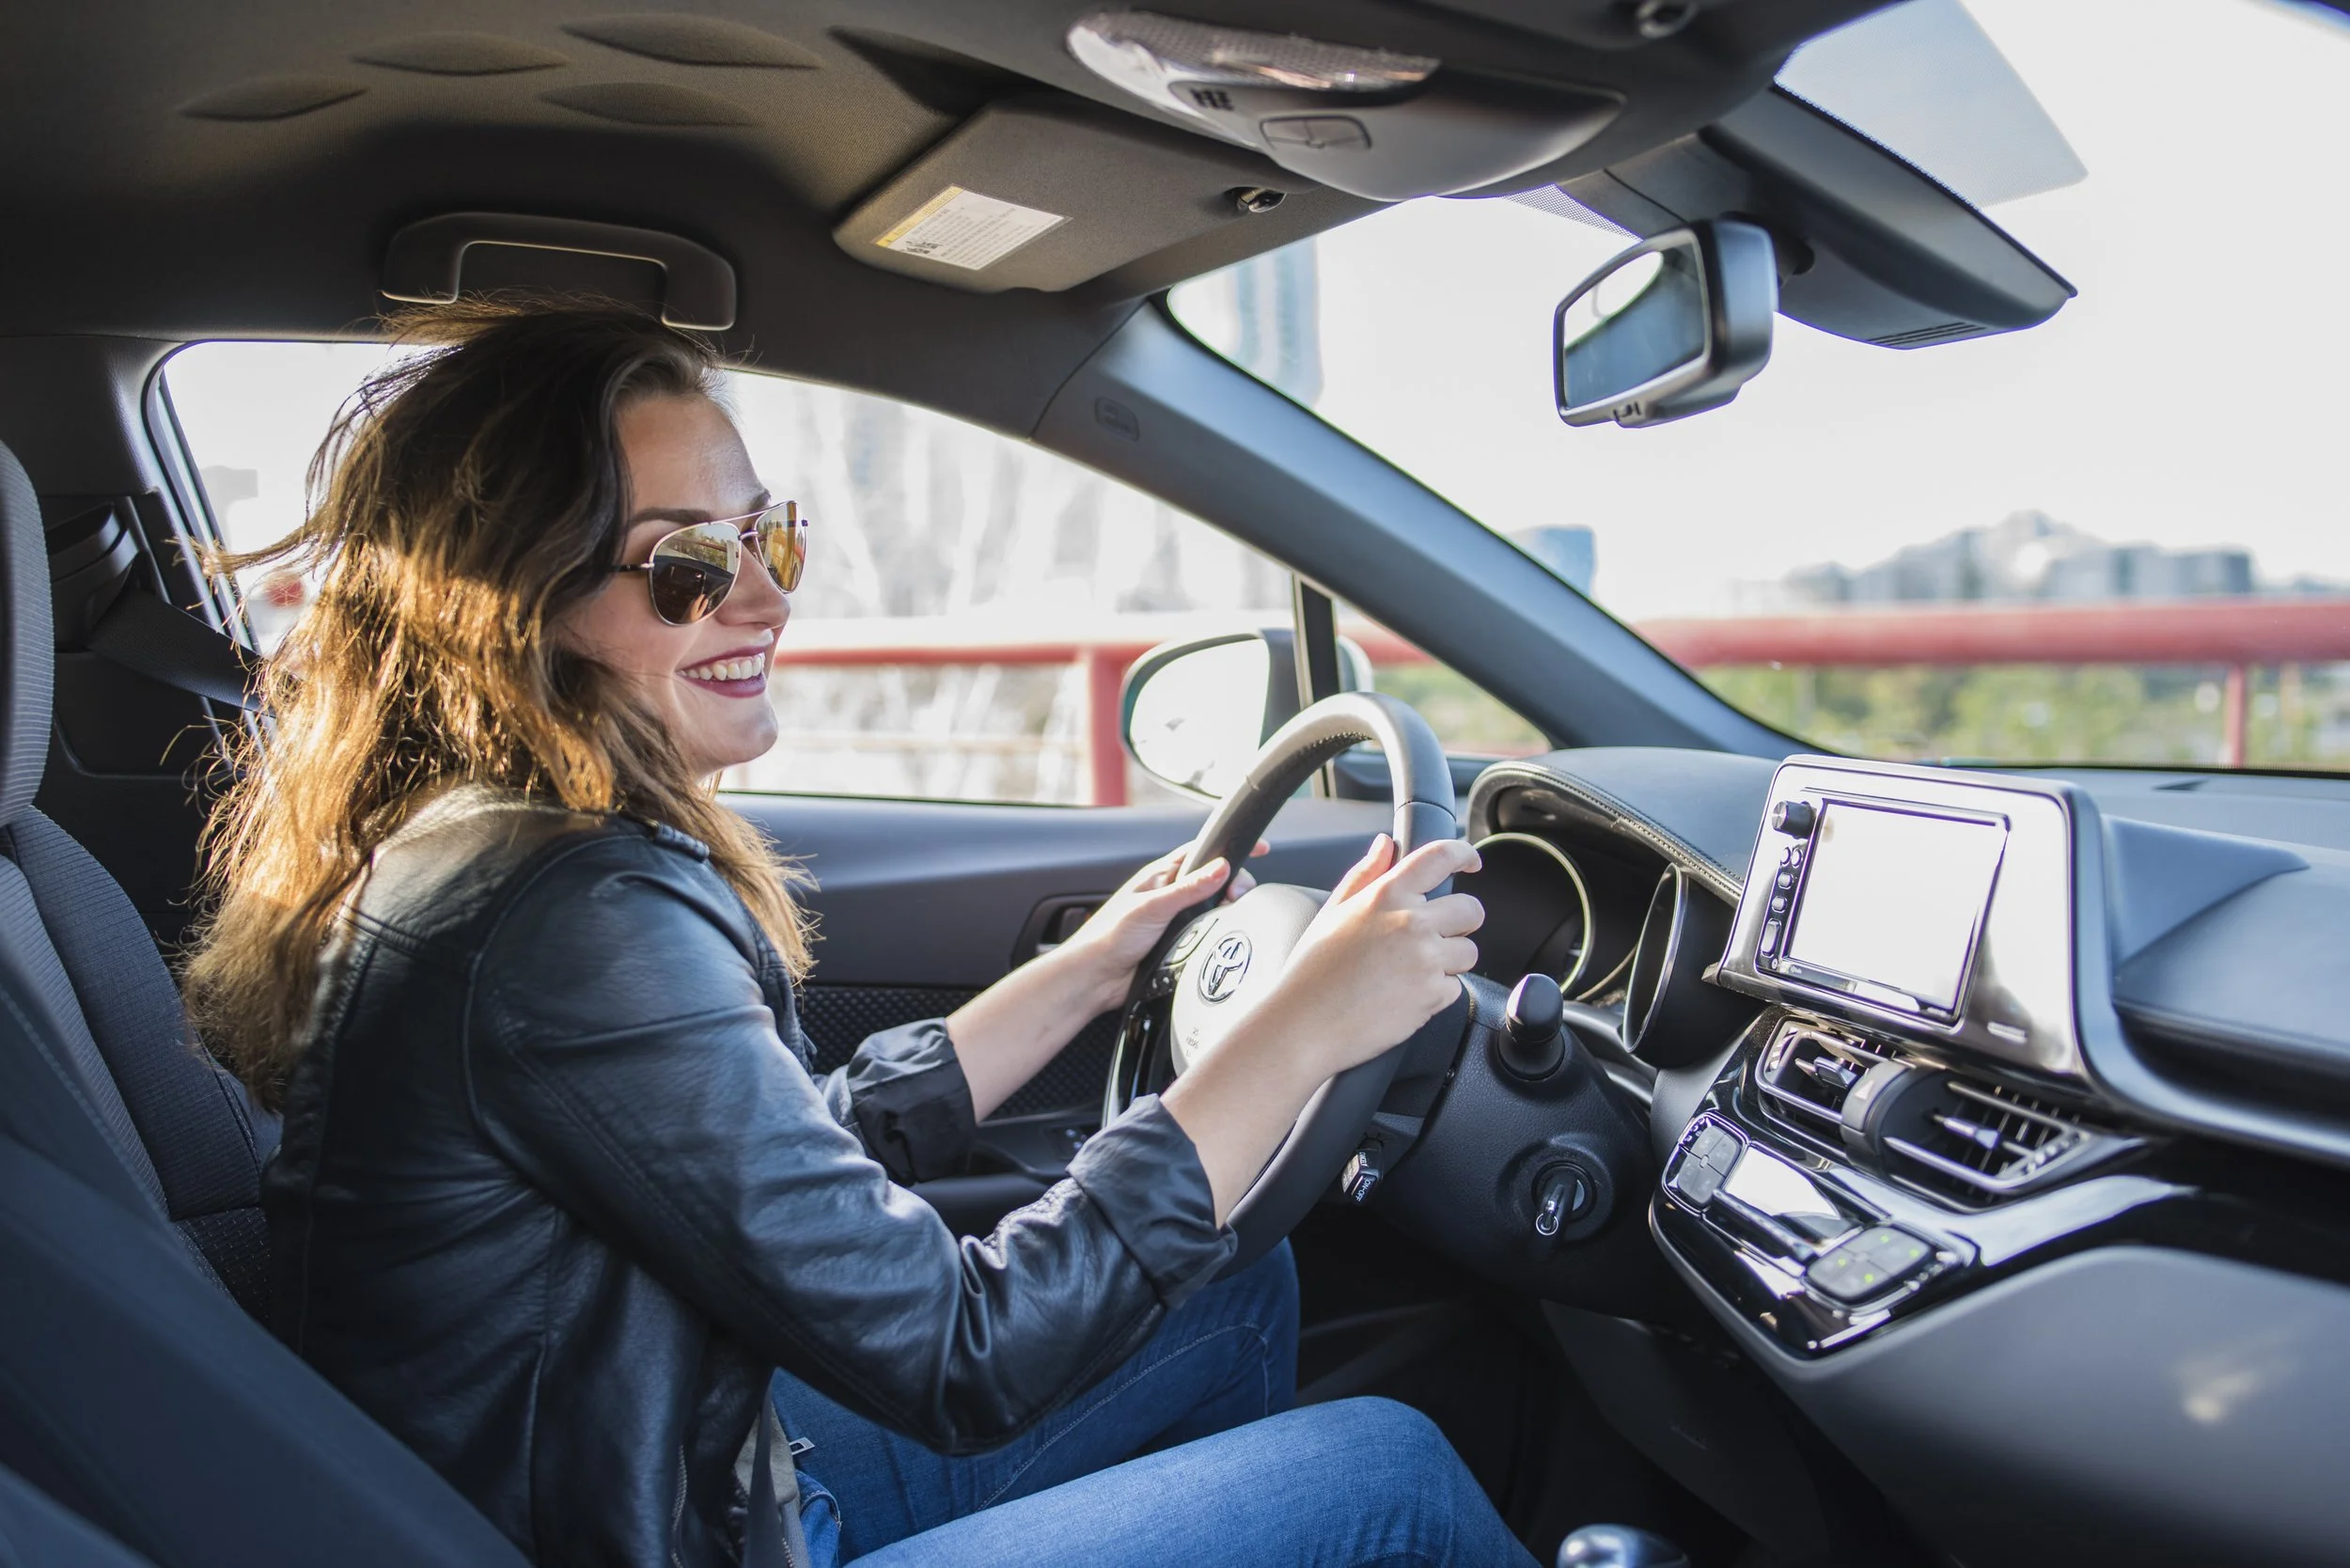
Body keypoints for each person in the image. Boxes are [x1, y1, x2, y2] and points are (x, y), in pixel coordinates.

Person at [186, 299, 1531, 1567]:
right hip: (657, 1527)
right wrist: (1300, 1034)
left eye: (768, 540)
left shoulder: (485, 854)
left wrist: (1079, 977)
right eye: (689, 569)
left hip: (669, 1475)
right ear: (517, 609)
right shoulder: (568, 919)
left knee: (1235, 1286)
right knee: (1393, 1476)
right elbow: (967, 1354)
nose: (766, 602)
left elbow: (765, 1168)